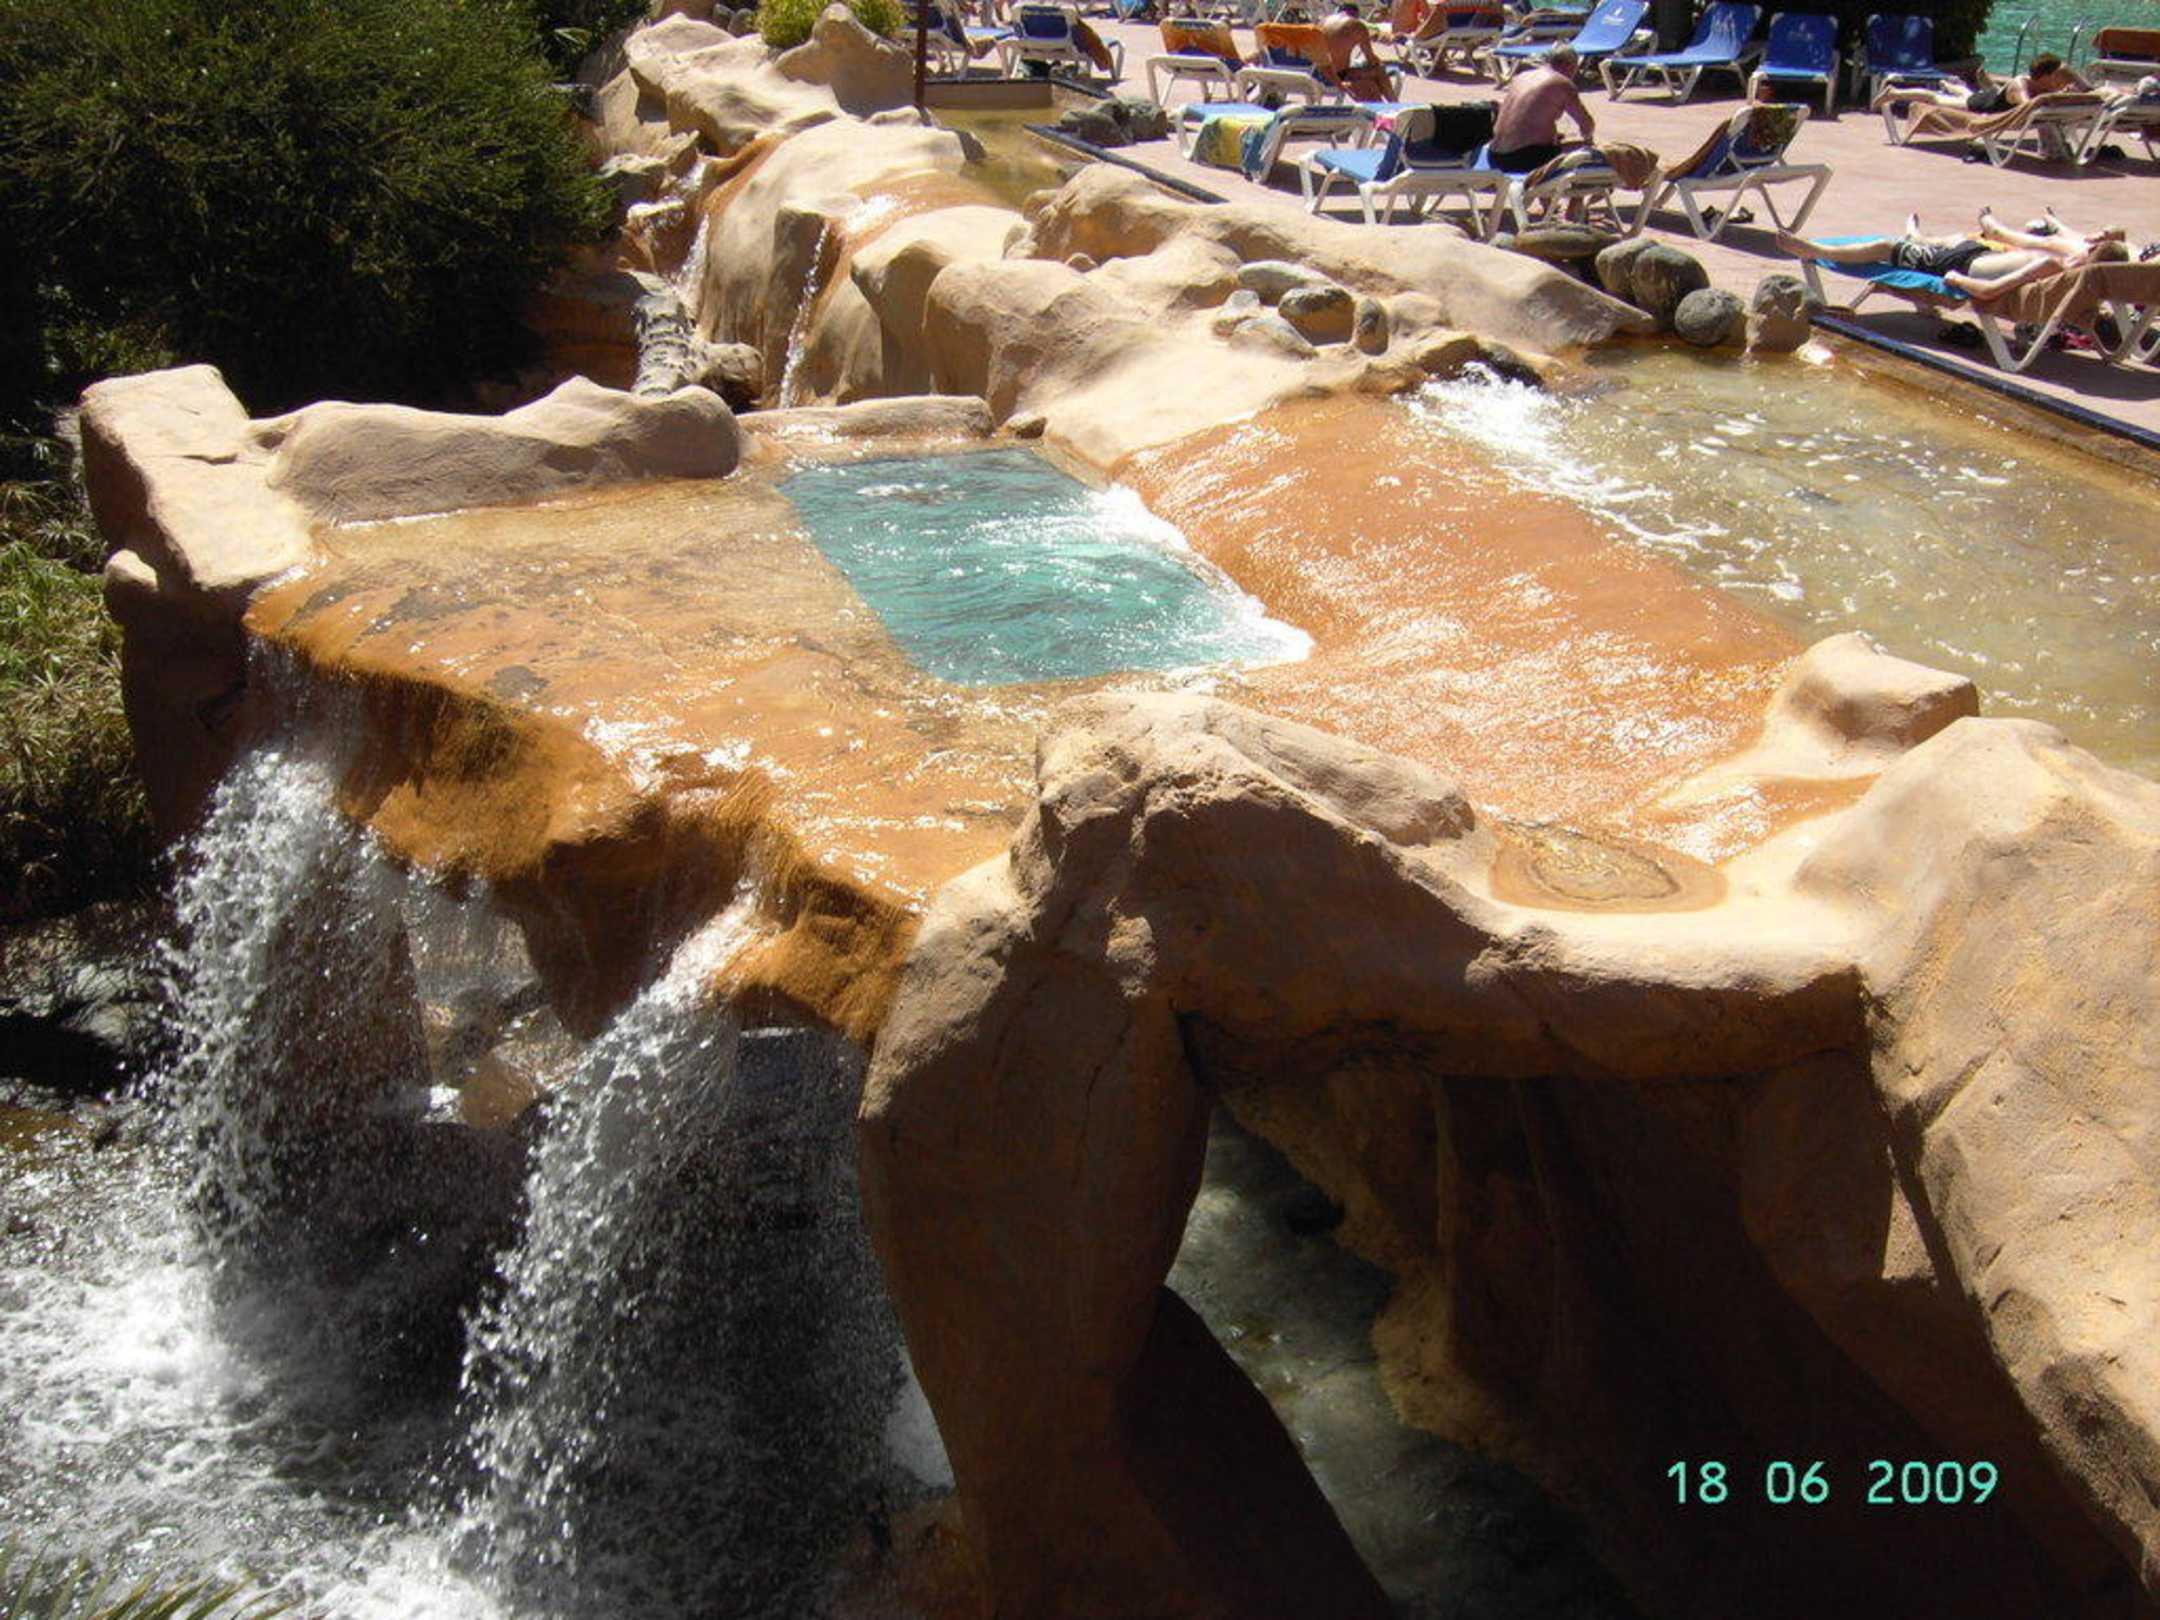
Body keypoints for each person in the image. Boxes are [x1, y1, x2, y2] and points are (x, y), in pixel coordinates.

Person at [1776, 208, 2130, 300]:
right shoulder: (2069, 273)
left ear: (2089, 261)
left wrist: (1957, 281)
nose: (2081, 253)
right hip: (1976, 253)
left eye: (2088, 253)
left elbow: (1989, 291)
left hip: (1963, 266)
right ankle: (1917, 236)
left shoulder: (2051, 266)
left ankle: (1814, 249)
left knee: (1887, 247)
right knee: (1951, 240)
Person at [1489, 44, 1595, 171]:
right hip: (1522, 159)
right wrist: (1589, 140)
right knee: (1587, 150)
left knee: (1556, 142)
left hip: (1494, 155)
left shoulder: (1522, 76)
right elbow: (1586, 124)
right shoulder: (1562, 83)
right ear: (1569, 65)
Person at [1871, 53, 2089, 114]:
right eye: (2056, 76)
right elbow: (2026, 107)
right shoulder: (2020, 86)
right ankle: (1894, 92)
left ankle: (1954, 85)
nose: (2059, 80)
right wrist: (2060, 95)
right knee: (1936, 98)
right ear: (2046, 75)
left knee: (1967, 93)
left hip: (1993, 95)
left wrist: (2066, 93)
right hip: (1982, 104)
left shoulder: (2042, 83)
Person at [1321, 3, 1397, 100]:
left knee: (1369, 82)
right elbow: (1371, 59)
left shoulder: (1323, 21)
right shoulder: (1357, 26)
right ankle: (1393, 103)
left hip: (1318, 74)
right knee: (1378, 71)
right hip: (1338, 76)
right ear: (1356, 15)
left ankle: (1385, 103)